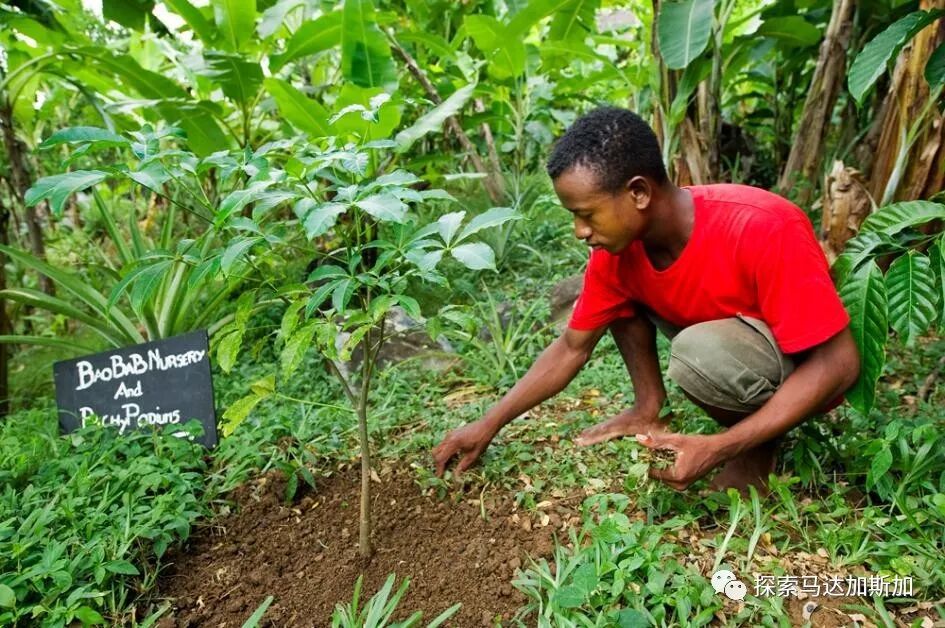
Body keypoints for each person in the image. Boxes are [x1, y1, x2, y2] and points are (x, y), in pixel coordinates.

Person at [432, 107, 860, 492]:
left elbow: (838, 363)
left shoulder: (762, 226)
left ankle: (757, 451)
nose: (580, 231)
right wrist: (488, 423)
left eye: (586, 214)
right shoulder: (617, 250)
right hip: (729, 350)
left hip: (798, 371)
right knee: (623, 298)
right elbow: (572, 348)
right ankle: (648, 407)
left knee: (698, 352)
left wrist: (723, 446)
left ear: (638, 192)